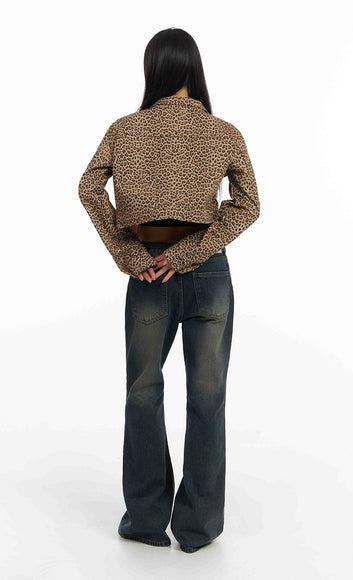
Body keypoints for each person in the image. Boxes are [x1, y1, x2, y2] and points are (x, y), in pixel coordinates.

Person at [78, 27, 261, 553]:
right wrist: (190, 253)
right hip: (210, 276)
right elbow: (249, 204)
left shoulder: (124, 129)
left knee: (142, 394)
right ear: (194, 70)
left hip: (148, 275)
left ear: (152, 70)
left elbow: (89, 187)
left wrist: (133, 255)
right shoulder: (223, 132)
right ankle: (198, 529)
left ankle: (144, 519)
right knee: (208, 399)